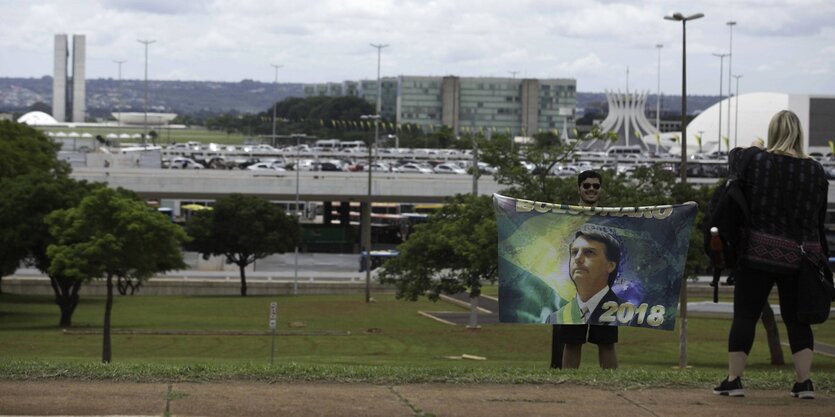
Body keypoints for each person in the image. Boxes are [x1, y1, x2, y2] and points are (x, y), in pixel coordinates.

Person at [713, 110, 828, 399]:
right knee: (797, 319)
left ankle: (734, 379)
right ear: (799, 134)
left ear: (772, 132)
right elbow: (818, 216)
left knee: (745, 315)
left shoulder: (759, 161)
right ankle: (804, 383)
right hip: (802, 257)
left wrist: (755, 145)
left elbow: (736, 161)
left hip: (760, 252)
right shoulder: (815, 170)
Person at [550, 170, 620, 369]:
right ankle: (569, 386)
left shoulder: (610, 218)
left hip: (603, 292)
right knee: (572, 342)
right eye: (586, 185)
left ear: (601, 189)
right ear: (579, 188)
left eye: (595, 186)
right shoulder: (567, 217)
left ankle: (612, 386)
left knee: (606, 342)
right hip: (573, 292)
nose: (591, 189)